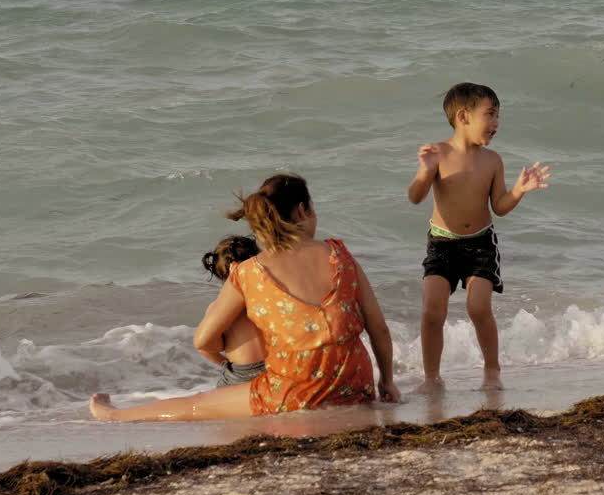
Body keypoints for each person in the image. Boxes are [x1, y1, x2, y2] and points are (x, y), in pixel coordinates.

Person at [90, 173, 400, 421]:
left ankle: (116, 415)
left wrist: (226, 361)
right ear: (303, 210)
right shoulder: (340, 256)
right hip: (355, 387)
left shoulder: (249, 272)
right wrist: (385, 383)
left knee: (198, 405)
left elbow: (202, 339)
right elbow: (379, 330)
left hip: (291, 394)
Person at [407, 83, 551, 391]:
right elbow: (415, 197)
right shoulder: (438, 154)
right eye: (490, 114)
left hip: (480, 245)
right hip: (442, 243)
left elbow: (499, 207)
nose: (497, 123)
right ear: (463, 117)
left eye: (498, 115)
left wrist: (518, 191)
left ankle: (491, 370)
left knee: (478, 307)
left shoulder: (492, 161)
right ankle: (431, 377)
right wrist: (424, 172)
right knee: (432, 310)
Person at [199, 235, 267, 387]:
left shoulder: (218, 308)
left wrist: (225, 363)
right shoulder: (270, 297)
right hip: (276, 369)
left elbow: (203, 346)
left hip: (240, 375)